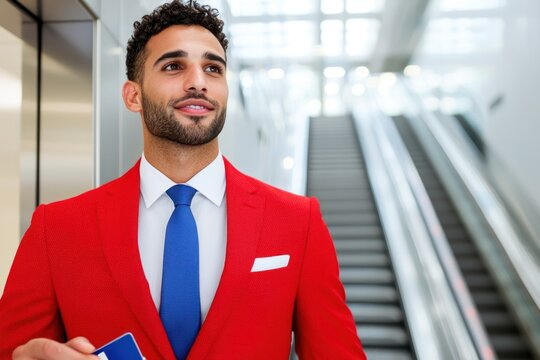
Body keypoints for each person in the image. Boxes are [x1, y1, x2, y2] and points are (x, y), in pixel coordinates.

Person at [0, 1, 366, 359]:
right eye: (174, 66)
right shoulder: (58, 227)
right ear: (133, 96)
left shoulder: (296, 221)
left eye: (213, 69)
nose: (198, 83)